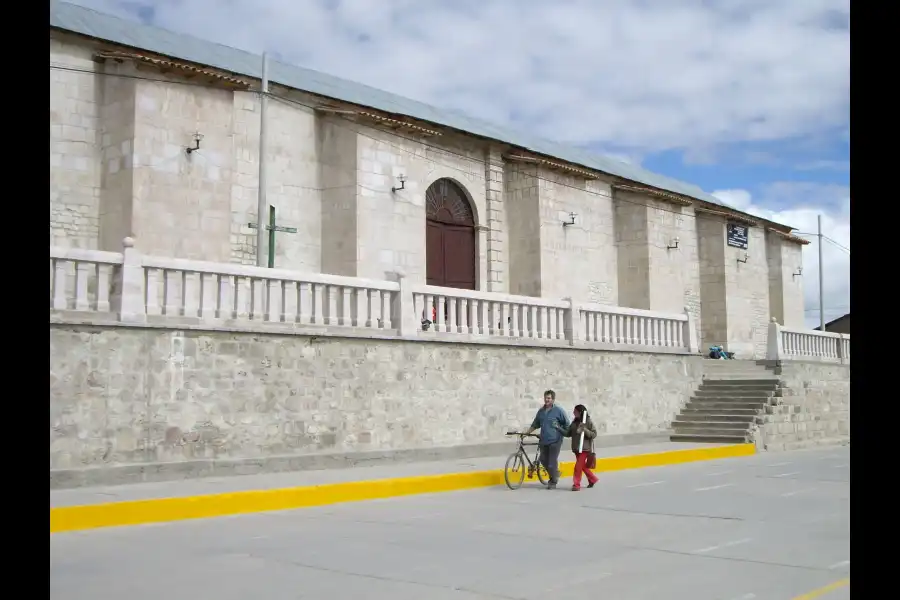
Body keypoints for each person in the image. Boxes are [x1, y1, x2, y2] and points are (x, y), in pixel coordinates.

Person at [525, 389, 569, 489]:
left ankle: (553, 481)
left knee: (551, 462)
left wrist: (562, 432)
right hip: (544, 440)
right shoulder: (541, 411)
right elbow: (535, 424)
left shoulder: (558, 411)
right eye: (545, 398)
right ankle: (555, 473)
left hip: (555, 440)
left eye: (549, 398)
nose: (546, 400)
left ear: (553, 399)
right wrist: (527, 433)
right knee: (543, 460)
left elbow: (567, 424)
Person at [558, 404, 598, 491]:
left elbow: (594, 434)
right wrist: (558, 428)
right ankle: (592, 479)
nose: (573, 413)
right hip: (576, 448)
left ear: (580, 412)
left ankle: (576, 485)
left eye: (575, 411)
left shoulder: (588, 421)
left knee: (578, 467)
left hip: (584, 448)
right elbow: (568, 433)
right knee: (582, 466)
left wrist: (585, 430)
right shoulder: (574, 422)